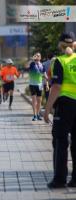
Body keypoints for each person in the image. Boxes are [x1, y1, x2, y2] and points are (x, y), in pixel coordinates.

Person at [44, 32, 76, 189]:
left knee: (60, 142)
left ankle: (59, 180)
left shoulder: (60, 61)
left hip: (65, 106)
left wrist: (47, 108)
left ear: (60, 45)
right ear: (74, 44)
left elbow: (56, 87)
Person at [25, 53, 47, 121]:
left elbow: (45, 75)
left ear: (40, 57)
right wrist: (32, 59)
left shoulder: (42, 65)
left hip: (39, 85)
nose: (37, 57)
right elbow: (26, 66)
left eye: (38, 56)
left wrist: (47, 84)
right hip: (32, 84)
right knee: (34, 101)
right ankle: (34, 115)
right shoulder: (32, 64)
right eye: (36, 56)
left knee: (39, 101)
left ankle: (38, 114)